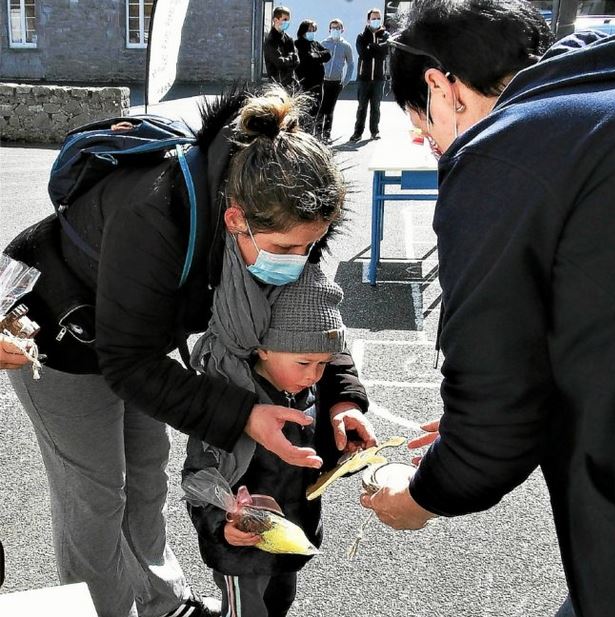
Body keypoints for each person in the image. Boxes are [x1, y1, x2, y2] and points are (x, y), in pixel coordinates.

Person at [4, 85, 372, 617]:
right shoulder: (151, 213)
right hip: (61, 337)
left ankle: (161, 603)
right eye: (289, 249)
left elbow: (310, 315)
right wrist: (244, 415)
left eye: (311, 246)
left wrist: (343, 398)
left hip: (141, 337)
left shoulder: (290, 209)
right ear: (234, 220)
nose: (300, 260)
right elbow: (127, 363)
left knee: (146, 478)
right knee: (97, 495)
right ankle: (101, 609)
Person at [360, 1, 615, 617]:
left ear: (441, 87)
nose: (429, 143)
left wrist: (424, 492)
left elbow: (495, 419)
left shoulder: (504, 150)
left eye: (420, 122)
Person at [184, 261, 374, 617]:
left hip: (289, 536)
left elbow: (315, 464)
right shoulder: (229, 400)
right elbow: (198, 478)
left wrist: (348, 453)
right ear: (264, 348)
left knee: (280, 602)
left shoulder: (310, 390)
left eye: (323, 364)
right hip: (240, 550)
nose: (314, 375)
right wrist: (221, 525)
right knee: (246, 611)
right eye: (304, 363)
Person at [349, 8, 389, 142]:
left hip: (379, 78)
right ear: (368, 20)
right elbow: (363, 54)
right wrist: (376, 48)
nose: (376, 20)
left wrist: (372, 47)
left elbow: (384, 52)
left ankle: (374, 131)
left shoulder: (386, 36)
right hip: (364, 78)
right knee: (362, 107)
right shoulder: (361, 36)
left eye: (378, 18)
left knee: (376, 107)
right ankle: (357, 133)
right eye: (374, 18)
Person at [317, 19, 354, 143]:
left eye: (337, 28)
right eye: (333, 28)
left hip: (336, 82)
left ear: (342, 30)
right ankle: (317, 134)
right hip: (323, 81)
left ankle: (327, 135)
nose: (335, 30)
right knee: (321, 108)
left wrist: (345, 81)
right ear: (329, 30)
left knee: (330, 109)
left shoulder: (346, 46)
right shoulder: (324, 43)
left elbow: (351, 64)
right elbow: (317, 61)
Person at [294, 19, 331, 133]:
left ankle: (314, 133)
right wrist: (318, 56)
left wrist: (317, 55)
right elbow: (308, 58)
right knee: (306, 111)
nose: (312, 32)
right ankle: (305, 133)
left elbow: (328, 54)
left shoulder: (314, 43)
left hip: (318, 82)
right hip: (306, 82)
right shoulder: (298, 44)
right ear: (303, 30)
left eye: (313, 30)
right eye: (310, 30)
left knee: (317, 109)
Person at [263, 6, 299, 88]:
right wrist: (291, 58)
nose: (287, 23)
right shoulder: (271, 40)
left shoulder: (288, 38)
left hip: (290, 83)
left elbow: (297, 60)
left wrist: (288, 59)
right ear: (275, 20)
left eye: (288, 20)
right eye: (285, 20)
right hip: (277, 85)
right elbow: (280, 63)